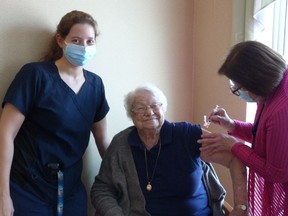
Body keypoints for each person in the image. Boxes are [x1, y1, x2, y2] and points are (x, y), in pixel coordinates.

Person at [0, 10, 110, 216]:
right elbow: (5, 134)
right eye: (76, 40)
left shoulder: (95, 85)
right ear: (60, 40)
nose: (83, 48)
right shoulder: (35, 76)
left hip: (71, 191)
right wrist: (3, 196)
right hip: (28, 189)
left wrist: (125, 179)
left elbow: (103, 143)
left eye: (89, 41)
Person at [91, 83, 247, 216]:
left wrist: (240, 207)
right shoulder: (122, 144)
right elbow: (101, 188)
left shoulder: (188, 136)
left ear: (163, 108)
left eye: (154, 105)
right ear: (131, 114)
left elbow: (233, 157)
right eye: (140, 108)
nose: (149, 112)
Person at [198, 41, 288, 215]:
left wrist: (234, 145)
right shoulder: (272, 90)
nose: (240, 91)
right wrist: (231, 125)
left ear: (257, 80)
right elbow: (262, 133)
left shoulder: (282, 108)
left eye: (240, 87)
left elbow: (276, 173)